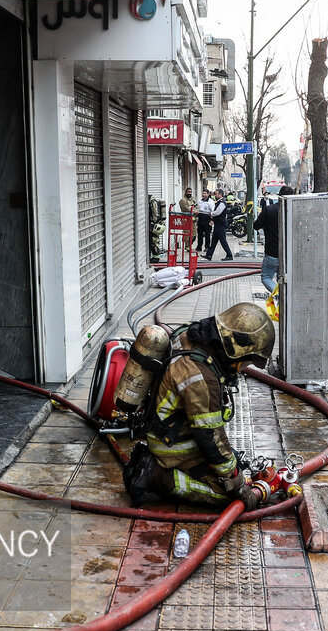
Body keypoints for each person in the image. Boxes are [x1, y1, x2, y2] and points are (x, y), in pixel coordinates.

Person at [122, 302, 276, 508]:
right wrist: (237, 484)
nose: (241, 370)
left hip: (167, 428)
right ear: (236, 351)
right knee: (226, 495)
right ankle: (155, 475)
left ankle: (159, 467)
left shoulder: (190, 333)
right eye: (246, 363)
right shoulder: (201, 378)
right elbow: (209, 437)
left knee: (230, 463)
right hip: (172, 444)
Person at [254, 185, 294, 292]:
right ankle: (283, 300)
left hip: (272, 252)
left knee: (266, 277)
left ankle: (278, 295)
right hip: (289, 255)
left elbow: (256, 226)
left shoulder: (269, 210)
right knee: (282, 279)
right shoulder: (294, 211)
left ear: (279, 196)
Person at [205, 190, 233, 261]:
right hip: (218, 224)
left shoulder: (222, 203)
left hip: (221, 225)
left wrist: (211, 214)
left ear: (220, 195)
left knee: (223, 240)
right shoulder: (219, 202)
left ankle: (229, 255)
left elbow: (218, 212)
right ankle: (209, 255)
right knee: (214, 241)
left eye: (216, 194)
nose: (215, 196)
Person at [194, 190, 213, 254]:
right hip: (200, 218)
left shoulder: (211, 202)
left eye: (205, 193)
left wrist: (211, 220)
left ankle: (207, 247)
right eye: (203, 193)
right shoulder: (200, 201)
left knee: (207, 234)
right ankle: (199, 246)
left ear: (208, 194)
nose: (203, 194)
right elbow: (197, 209)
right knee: (199, 234)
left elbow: (212, 211)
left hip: (207, 218)